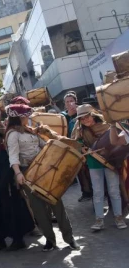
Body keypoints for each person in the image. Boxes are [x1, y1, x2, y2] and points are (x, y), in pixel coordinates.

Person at [5, 103, 80, 252]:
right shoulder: (12, 134)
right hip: (27, 173)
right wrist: (18, 173)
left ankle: (69, 238)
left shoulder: (29, 131)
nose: (28, 117)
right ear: (19, 116)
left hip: (43, 169)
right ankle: (50, 240)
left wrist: (46, 133)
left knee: (56, 203)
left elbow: (44, 146)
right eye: (26, 115)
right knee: (39, 209)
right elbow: (13, 156)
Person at [72, 104, 127, 230]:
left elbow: (119, 139)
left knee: (114, 191)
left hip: (110, 161)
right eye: (82, 119)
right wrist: (82, 147)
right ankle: (99, 220)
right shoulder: (80, 130)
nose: (86, 121)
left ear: (93, 115)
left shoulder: (107, 125)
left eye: (87, 117)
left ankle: (118, 218)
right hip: (94, 163)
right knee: (97, 192)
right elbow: (76, 143)